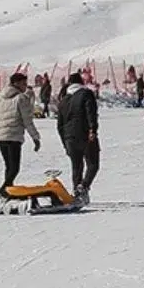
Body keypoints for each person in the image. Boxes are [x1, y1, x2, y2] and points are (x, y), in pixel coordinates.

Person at [0, 73, 42, 199]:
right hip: (13, 137)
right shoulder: (21, 98)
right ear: (16, 83)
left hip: (1, 137)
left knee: (9, 167)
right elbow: (27, 120)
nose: (25, 86)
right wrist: (35, 137)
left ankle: (8, 192)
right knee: (14, 168)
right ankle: (4, 189)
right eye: (23, 84)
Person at [55, 72, 99, 204]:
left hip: (69, 137)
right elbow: (91, 113)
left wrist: (64, 142)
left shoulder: (63, 100)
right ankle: (83, 187)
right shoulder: (86, 94)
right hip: (85, 134)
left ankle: (76, 192)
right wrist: (93, 129)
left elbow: (60, 124)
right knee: (93, 164)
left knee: (76, 166)